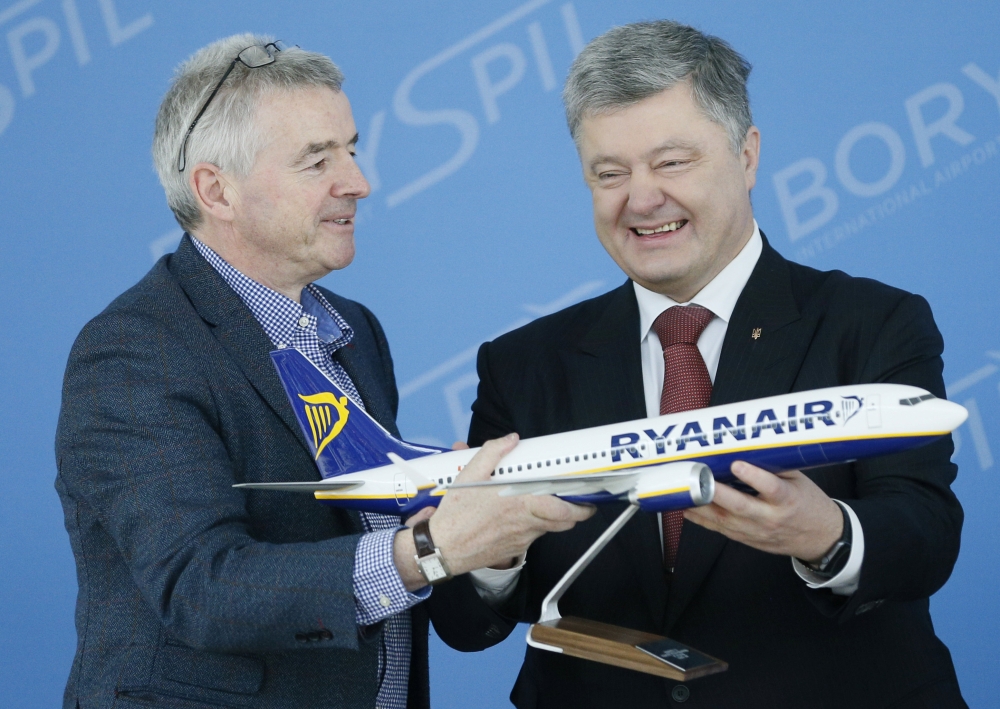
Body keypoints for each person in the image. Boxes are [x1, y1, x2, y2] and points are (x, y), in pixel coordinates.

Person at [428, 20, 967, 708]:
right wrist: (492, 553)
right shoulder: (524, 364)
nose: (642, 198)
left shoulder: (873, 323)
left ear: (747, 156)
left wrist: (826, 534)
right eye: (609, 173)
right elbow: (466, 625)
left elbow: (927, 537)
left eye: (672, 162)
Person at [54, 34, 592, 709]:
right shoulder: (134, 349)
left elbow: (398, 565)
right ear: (215, 189)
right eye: (317, 161)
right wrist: (428, 546)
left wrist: (484, 540)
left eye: (352, 149)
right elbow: (203, 588)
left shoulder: (354, 330)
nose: (358, 182)